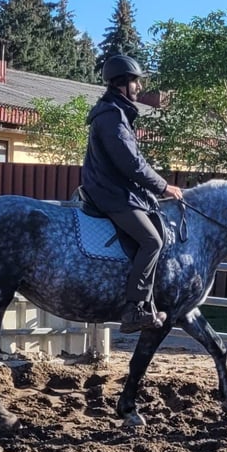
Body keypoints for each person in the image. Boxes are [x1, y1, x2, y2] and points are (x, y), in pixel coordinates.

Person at [81, 54, 184, 334]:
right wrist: (163, 186)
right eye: (136, 82)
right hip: (111, 193)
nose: (139, 87)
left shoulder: (117, 112)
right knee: (151, 240)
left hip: (116, 189)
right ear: (122, 84)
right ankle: (134, 308)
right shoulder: (112, 117)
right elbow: (131, 163)